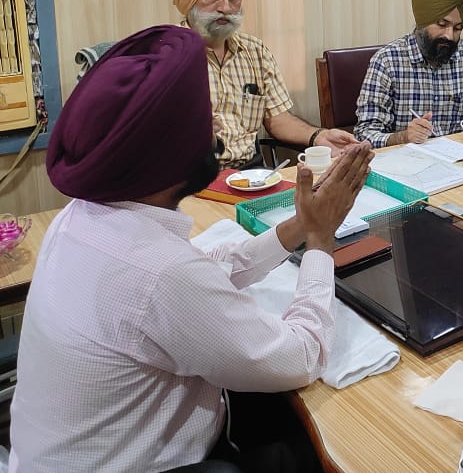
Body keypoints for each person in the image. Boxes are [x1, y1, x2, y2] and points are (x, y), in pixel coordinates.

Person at [9, 25, 375, 473]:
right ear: (166, 149)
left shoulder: (81, 217)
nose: (218, 126)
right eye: (204, 118)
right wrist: (320, 241)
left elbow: (201, 273)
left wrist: (299, 226)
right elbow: (301, 357)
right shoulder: (160, 273)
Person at [167, 0, 358, 169]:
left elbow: (278, 119)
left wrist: (318, 136)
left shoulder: (255, 51)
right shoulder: (163, 57)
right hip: (190, 177)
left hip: (252, 175)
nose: (225, 7)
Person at [355, 0, 463, 147]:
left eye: (457, 28)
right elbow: (364, 133)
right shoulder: (387, 61)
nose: (449, 36)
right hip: (406, 157)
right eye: (442, 24)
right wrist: (403, 137)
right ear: (422, 22)